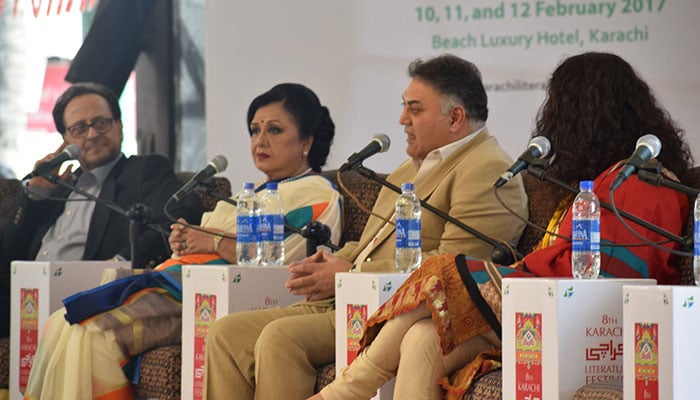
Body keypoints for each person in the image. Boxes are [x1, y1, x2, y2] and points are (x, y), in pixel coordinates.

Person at [311, 52, 694, 400]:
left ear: (589, 115)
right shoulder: (605, 180)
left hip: (595, 324)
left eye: (561, 110)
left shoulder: (643, 183)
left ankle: (344, 392)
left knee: (443, 271)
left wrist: (521, 273)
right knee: (423, 338)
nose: (555, 123)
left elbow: (610, 275)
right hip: (548, 305)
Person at [204, 54, 529, 399]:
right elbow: (369, 244)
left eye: (415, 110)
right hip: (351, 295)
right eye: (404, 107)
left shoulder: (487, 169)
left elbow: (454, 271)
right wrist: (330, 262)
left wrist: (349, 272)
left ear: (455, 117)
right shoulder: (408, 169)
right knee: (225, 334)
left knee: (280, 339)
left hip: (392, 307)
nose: (402, 119)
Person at [22, 82, 343, 400]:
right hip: (178, 284)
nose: (260, 140)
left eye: (274, 130)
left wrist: (212, 244)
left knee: (89, 333)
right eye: (254, 130)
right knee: (62, 324)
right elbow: (209, 242)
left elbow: (289, 260)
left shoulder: (316, 192)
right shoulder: (249, 193)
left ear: (306, 141)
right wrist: (185, 241)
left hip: (220, 299)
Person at [0, 82, 203, 339]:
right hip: (26, 298)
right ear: (65, 141)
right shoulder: (56, 188)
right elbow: (8, 255)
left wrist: (119, 263)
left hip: (86, 296)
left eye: (102, 122)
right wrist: (34, 196)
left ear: (119, 126)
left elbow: (175, 218)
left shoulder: (144, 171)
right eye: (79, 128)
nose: (93, 134)